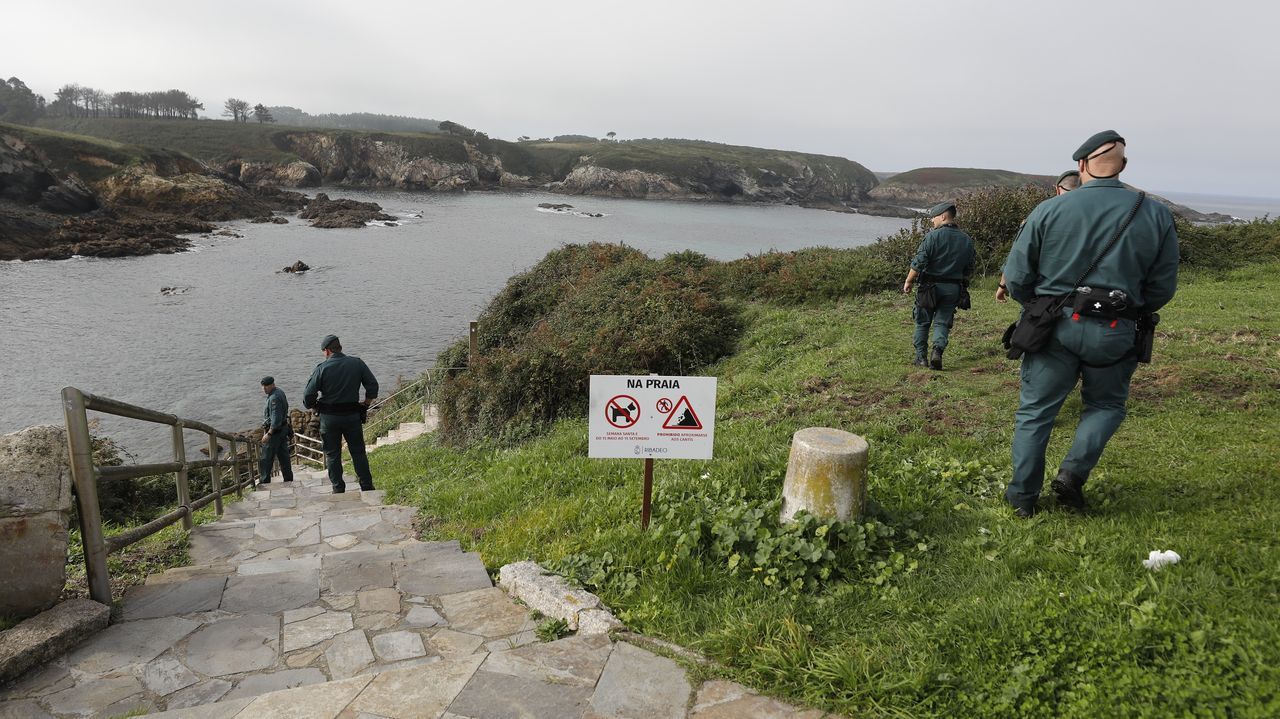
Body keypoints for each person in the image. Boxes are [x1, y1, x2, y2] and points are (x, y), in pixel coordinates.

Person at [1001, 130, 1178, 517]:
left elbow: (1016, 276)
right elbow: (1163, 287)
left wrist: (1039, 306)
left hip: (1053, 327)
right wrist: (1127, 308)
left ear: (1081, 166)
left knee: (1036, 414)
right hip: (1116, 330)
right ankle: (1073, 474)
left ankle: (1021, 501)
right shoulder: (1156, 213)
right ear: (1124, 167)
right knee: (1106, 405)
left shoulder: (1048, 210)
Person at [902, 201, 977, 370]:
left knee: (922, 322)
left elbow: (919, 262)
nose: (932, 221)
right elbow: (970, 266)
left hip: (929, 287)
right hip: (953, 288)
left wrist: (908, 281)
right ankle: (937, 352)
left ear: (943, 216)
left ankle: (921, 358)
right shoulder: (966, 239)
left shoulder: (932, 236)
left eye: (933, 217)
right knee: (942, 323)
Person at [303, 334, 379, 493]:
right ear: (340, 348)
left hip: (329, 418)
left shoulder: (322, 368)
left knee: (332, 455)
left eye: (323, 351)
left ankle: (338, 488)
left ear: (327, 350)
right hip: (352, 416)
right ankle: (366, 486)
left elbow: (308, 397)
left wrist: (315, 406)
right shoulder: (356, 363)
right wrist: (365, 404)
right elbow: (372, 385)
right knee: (358, 452)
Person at [996, 170, 1082, 303]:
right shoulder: (1100, 217)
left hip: (1046, 300)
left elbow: (1019, 256)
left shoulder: (1042, 214)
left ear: (1058, 190)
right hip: (1089, 300)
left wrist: (1003, 285)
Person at [258, 376, 294, 483]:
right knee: (284, 456)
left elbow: (276, 417)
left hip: (275, 432)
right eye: (263, 386)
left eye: (267, 386)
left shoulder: (274, 398)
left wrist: (268, 434)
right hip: (283, 429)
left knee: (266, 459)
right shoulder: (279, 392)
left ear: (273, 385)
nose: (264, 388)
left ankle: (264, 482)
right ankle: (288, 479)